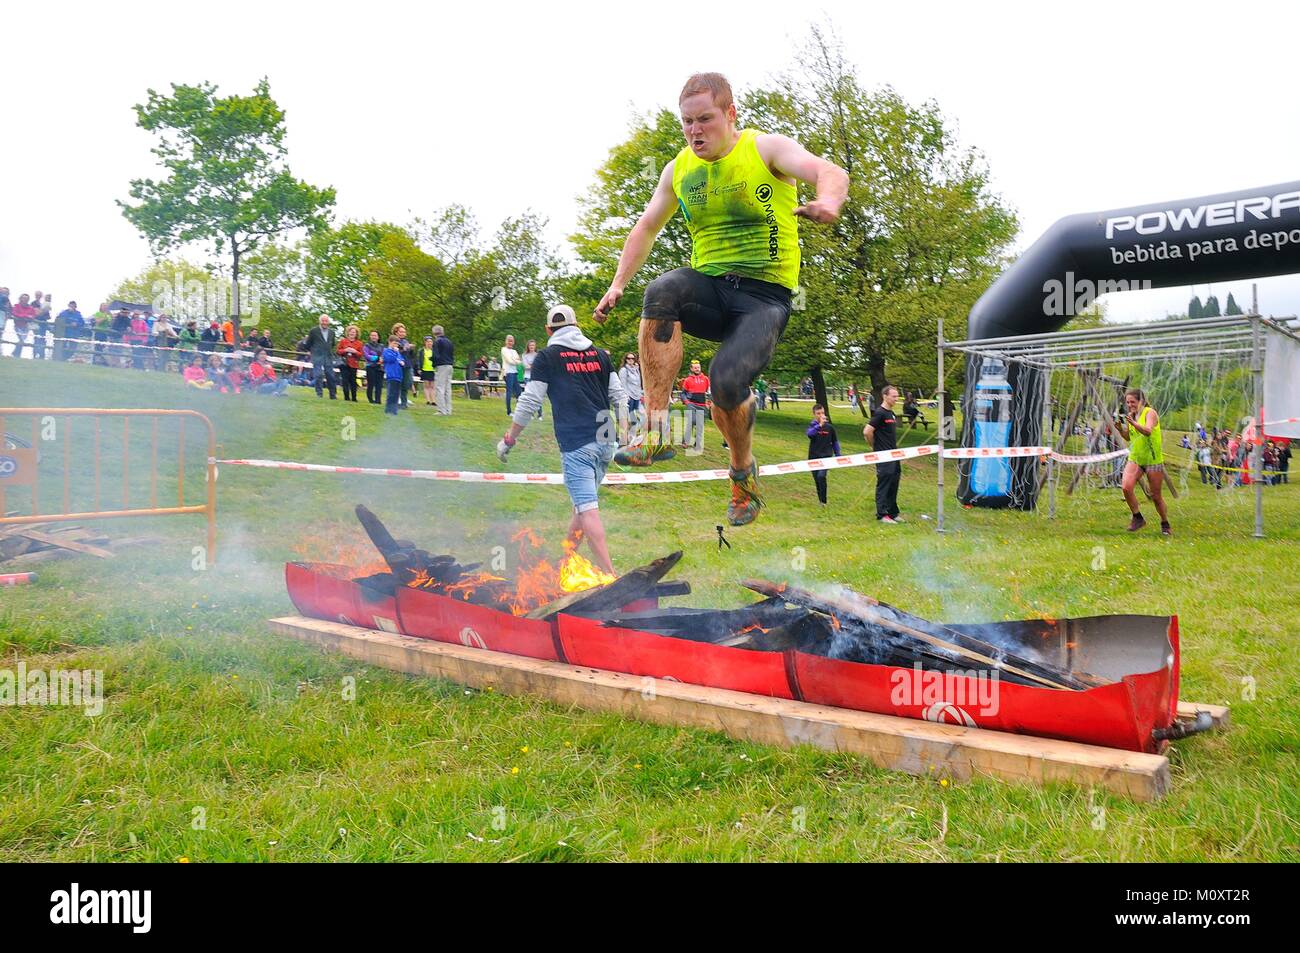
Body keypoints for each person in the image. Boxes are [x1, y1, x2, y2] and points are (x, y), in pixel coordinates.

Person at [593, 72, 848, 526]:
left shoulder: (765, 149)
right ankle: (656, 432)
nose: (695, 131)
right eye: (687, 122)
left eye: (705, 119)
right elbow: (646, 226)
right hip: (710, 290)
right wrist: (617, 283)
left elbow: (829, 171)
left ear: (730, 115)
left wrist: (827, 201)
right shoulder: (679, 170)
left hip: (763, 299)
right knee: (662, 290)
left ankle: (742, 475)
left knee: (726, 385)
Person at [496, 305, 626, 575]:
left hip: (577, 443)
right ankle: (566, 561)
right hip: (606, 441)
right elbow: (620, 397)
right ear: (576, 325)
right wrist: (625, 436)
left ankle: (611, 576)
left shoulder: (547, 357)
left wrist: (510, 438)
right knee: (581, 505)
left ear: (548, 330)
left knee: (588, 509)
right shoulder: (600, 355)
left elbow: (530, 400)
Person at [1117, 387, 1171, 536]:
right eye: (1127, 402)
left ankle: (1165, 522)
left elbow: (1147, 431)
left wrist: (1133, 423)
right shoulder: (1130, 415)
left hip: (1153, 460)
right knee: (1126, 487)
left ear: (1141, 401)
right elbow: (1128, 437)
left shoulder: (1150, 413)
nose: (1130, 405)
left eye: (1132, 402)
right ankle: (1137, 517)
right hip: (1135, 458)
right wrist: (1121, 430)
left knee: (1155, 496)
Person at [864, 385, 902, 524]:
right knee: (884, 483)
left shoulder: (891, 413)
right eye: (893, 396)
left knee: (894, 482)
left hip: (894, 454)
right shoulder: (880, 413)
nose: (896, 399)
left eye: (897, 396)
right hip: (884, 455)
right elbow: (867, 431)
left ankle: (893, 512)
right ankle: (882, 514)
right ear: (885, 396)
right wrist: (874, 446)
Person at [806, 404, 841, 506]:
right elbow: (809, 434)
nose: (821, 415)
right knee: (817, 479)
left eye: (822, 413)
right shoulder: (813, 426)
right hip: (813, 457)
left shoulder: (830, 428)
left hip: (826, 457)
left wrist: (838, 454)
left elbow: (835, 442)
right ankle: (821, 501)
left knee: (822, 476)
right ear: (814, 414)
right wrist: (819, 426)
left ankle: (824, 501)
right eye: (818, 413)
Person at [304, 314, 339, 399]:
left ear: (328, 322)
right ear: (320, 321)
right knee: (318, 375)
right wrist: (312, 351)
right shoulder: (314, 331)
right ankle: (319, 393)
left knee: (330, 376)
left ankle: (333, 394)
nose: (324, 322)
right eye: (323, 321)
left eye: (326, 321)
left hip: (328, 357)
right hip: (317, 357)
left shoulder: (332, 332)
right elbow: (308, 344)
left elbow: (332, 344)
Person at [680, 359, 710, 456]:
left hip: (702, 405)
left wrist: (709, 403)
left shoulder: (705, 379)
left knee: (700, 426)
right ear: (692, 369)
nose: (697, 369)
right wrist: (686, 402)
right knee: (690, 423)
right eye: (695, 367)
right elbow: (683, 393)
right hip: (691, 404)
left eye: (698, 367)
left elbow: (708, 392)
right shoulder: (688, 380)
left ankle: (697, 443)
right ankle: (685, 441)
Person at [618, 352, 643, 444]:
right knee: (628, 419)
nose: (631, 360)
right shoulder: (624, 370)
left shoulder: (636, 369)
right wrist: (626, 396)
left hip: (637, 397)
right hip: (629, 397)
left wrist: (640, 394)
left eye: (633, 358)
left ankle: (631, 437)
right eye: (628, 358)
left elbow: (638, 384)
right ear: (625, 359)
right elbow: (622, 384)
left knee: (638, 418)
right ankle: (624, 438)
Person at [336, 325, 364, 402]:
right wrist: (345, 350)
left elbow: (361, 354)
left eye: (354, 332)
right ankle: (346, 397)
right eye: (351, 332)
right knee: (345, 381)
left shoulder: (359, 343)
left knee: (353, 381)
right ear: (348, 333)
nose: (352, 333)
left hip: (354, 364)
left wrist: (355, 351)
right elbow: (338, 351)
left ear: (356, 334)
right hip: (344, 364)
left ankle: (354, 397)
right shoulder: (343, 341)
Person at [432, 325, 455, 415]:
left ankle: (441, 410)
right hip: (450, 365)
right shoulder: (449, 342)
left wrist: (433, 362)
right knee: (448, 388)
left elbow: (436, 355)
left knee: (440, 387)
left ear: (434, 333)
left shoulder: (437, 341)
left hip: (441, 365)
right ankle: (448, 409)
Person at [393, 323, 416, 409]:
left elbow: (411, 355)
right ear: (396, 332)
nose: (403, 333)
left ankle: (404, 402)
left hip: (407, 365)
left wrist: (411, 349)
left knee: (406, 384)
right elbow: (396, 351)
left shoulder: (406, 341)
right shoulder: (394, 341)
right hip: (397, 365)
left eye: (404, 332)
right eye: (401, 332)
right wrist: (405, 348)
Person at [382, 335, 405, 415]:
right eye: (394, 343)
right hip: (391, 375)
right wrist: (395, 353)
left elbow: (401, 359)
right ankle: (388, 410)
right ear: (390, 342)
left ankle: (394, 410)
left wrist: (402, 361)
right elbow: (390, 359)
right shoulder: (386, 351)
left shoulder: (397, 352)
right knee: (391, 394)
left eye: (397, 344)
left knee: (396, 394)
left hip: (398, 375)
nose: (396, 346)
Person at [501, 334, 522, 416]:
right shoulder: (504, 349)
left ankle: (519, 411)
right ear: (506, 341)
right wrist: (515, 361)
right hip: (508, 373)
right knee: (509, 392)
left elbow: (519, 361)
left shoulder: (514, 351)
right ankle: (509, 412)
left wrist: (515, 360)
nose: (510, 342)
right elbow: (509, 361)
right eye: (509, 340)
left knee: (518, 392)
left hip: (515, 372)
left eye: (512, 341)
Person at [522, 339, 542, 420]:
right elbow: (525, 366)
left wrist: (532, 366)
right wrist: (532, 365)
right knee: (530, 396)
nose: (531, 347)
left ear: (535, 346)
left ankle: (540, 414)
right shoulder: (524, 355)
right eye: (530, 345)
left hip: (536, 377)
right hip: (527, 377)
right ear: (528, 346)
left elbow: (539, 366)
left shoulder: (538, 355)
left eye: (533, 345)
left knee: (537, 396)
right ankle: (531, 414)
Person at [363, 330, 384, 405]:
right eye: (372, 335)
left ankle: (378, 400)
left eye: (375, 335)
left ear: (378, 337)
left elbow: (383, 355)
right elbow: (367, 356)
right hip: (370, 366)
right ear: (370, 337)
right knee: (371, 383)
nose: (374, 337)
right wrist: (377, 358)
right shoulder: (367, 345)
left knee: (379, 384)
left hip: (380, 367)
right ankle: (370, 399)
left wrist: (381, 360)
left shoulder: (381, 346)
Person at [415, 335, 437, 406]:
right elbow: (418, 360)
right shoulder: (421, 351)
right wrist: (419, 368)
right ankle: (428, 400)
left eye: (431, 341)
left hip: (432, 369)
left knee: (433, 386)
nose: (429, 343)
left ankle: (433, 400)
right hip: (425, 369)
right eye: (428, 341)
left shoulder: (434, 350)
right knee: (426, 385)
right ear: (425, 342)